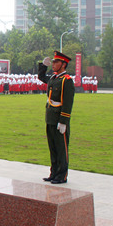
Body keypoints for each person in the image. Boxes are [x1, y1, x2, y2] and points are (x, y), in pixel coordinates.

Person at [36, 50, 75, 184]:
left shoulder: (66, 81)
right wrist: (43, 66)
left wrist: (63, 121)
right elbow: (41, 77)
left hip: (59, 118)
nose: (53, 64)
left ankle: (62, 175)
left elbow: (68, 102)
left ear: (63, 64)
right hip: (50, 117)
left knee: (61, 148)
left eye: (56, 62)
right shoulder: (53, 78)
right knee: (52, 147)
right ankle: (53, 173)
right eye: (52, 62)